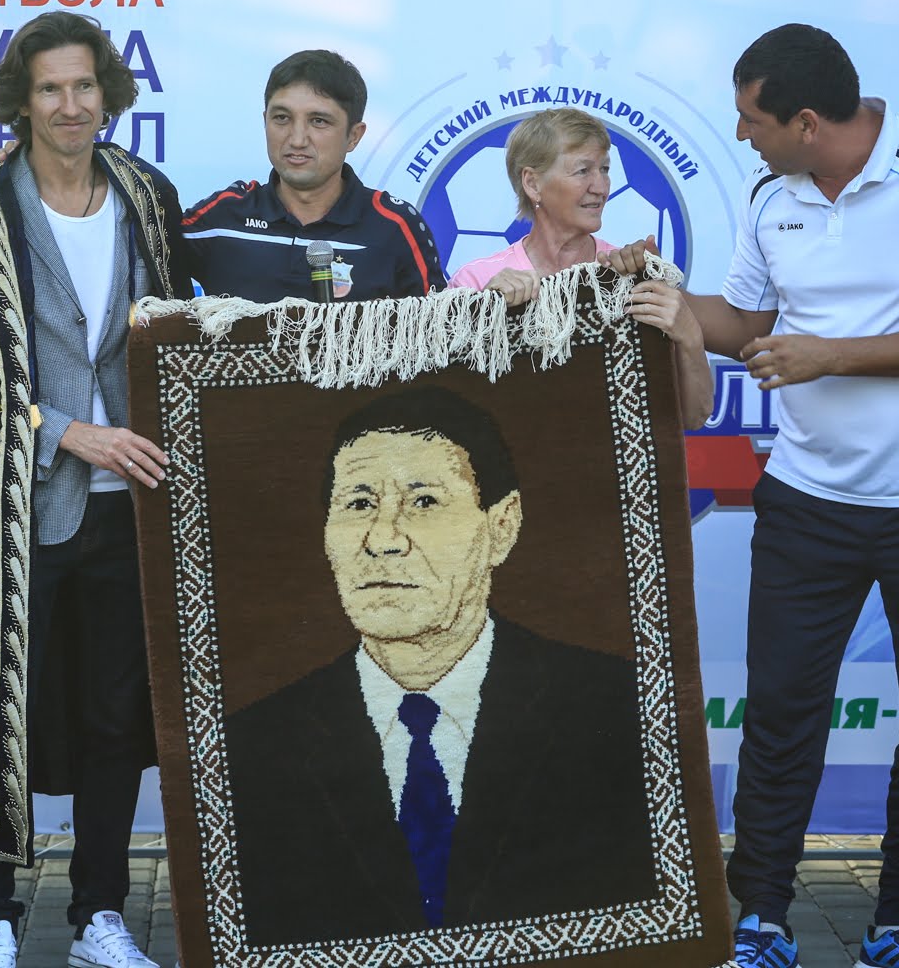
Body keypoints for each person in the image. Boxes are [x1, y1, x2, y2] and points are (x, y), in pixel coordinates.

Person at [629, 24, 899, 968]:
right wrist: (654, 294)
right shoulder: (770, 191)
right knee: (780, 716)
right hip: (807, 501)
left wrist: (830, 354)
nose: (740, 133)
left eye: (752, 119)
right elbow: (744, 320)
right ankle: (761, 919)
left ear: (806, 123)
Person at [0, 11, 192, 968]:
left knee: (115, 715)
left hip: (128, 507)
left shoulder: (147, 196)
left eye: (84, 85)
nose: (70, 105)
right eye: (50, 88)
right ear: (20, 101)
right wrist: (68, 433)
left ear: (110, 94)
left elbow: (179, 331)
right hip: (11, 511)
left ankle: (100, 915)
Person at [223, 387, 656, 946]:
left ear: (501, 526)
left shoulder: (617, 709)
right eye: (359, 504)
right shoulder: (252, 743)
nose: (382, 539)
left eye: (423, 501)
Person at [448, 108, 712, 429]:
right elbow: (449, 413)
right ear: (532, 183)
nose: (601, 187)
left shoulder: (630, 276)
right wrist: (484, 317)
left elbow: (694, 416)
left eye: (605, 169)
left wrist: (689, 334)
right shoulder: (475, 282)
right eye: (583, 170)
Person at [180, 50, 445, 302]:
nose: (297, 140)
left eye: (319, 121)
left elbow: (439, 329)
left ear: (354, 136)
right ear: (265, 121)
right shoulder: (223, 216)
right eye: (281, 118)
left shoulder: (395, 227)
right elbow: (156, 282)